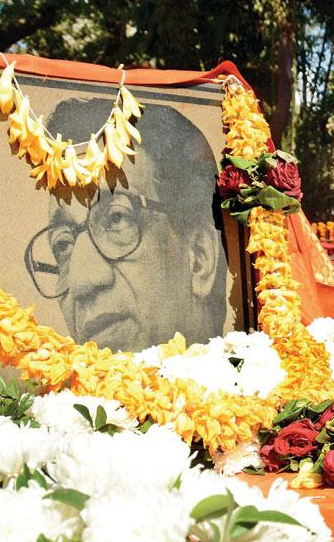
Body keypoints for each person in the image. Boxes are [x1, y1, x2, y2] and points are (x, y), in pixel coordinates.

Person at [24, 98, 228, 352]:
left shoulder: (273, 383)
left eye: (116, 218)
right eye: (63, 245)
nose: (80, 280)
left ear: (200, 258)